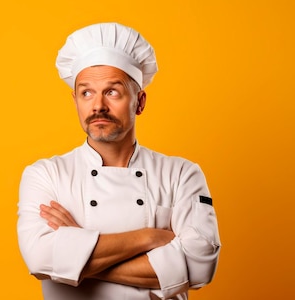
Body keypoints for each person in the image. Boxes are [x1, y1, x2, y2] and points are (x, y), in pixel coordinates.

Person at [16, 22, 221, 300]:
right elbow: (40, 259)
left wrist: (75, 253)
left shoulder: (182, 174)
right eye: (86, 92)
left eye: (112, 91)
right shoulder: (46, 175)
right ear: (75, 100)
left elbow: (199, 266)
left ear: (139, 102)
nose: (98, 105)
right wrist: (148, 238)